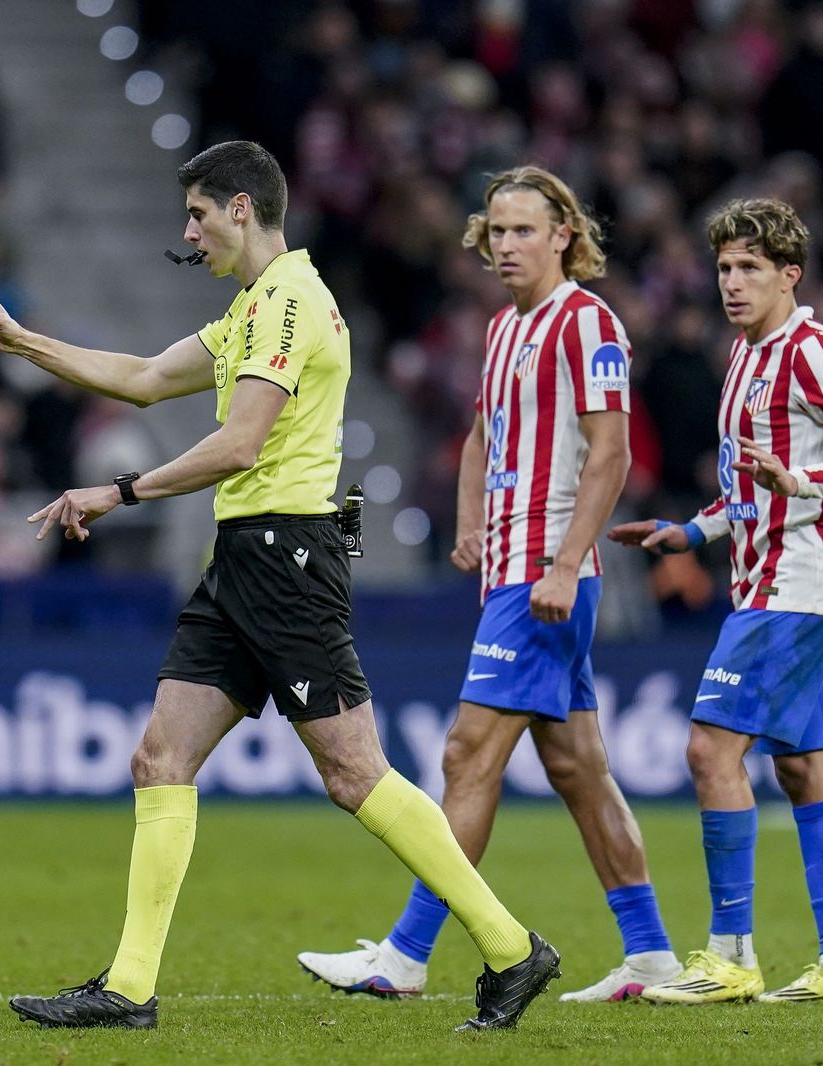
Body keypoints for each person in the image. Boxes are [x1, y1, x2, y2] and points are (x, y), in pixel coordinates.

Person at [0, 141, 559, 1032]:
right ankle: (130, 988)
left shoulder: (291, 302)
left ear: (240, 207)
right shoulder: (255, 308)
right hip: (244, 559)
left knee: (355, 774)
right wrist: (21, 337)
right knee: (161, 757)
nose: (188, 232)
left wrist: (117, 492)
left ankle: (509, 947)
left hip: (287, 559)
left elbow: (240, 444)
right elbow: (148, 379)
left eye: (196, 213)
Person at [297, 166, 681, 1003]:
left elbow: (611, 452)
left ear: (564, 236)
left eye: (522, 230)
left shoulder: (588, 322)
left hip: (547, 575)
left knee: (467, 754)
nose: (504, 245)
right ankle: (652, 958)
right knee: (580, 769)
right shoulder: (509, 328)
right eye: (496, 231)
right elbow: (480, 433)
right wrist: (470, 521)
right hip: (514, 568)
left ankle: (404, 956)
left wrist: (567, 561)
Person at [609, 197, 823, 1006]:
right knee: (806, 770)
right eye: (725, 268)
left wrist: (802, 480)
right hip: (765, 576)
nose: (732, 283)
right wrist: (690, 534)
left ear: (788, 275)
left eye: (750, 269)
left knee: (710, 751)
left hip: (798, 583)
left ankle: (730, 955)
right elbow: (745, 491)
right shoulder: (744, 354)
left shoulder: (815, 350)